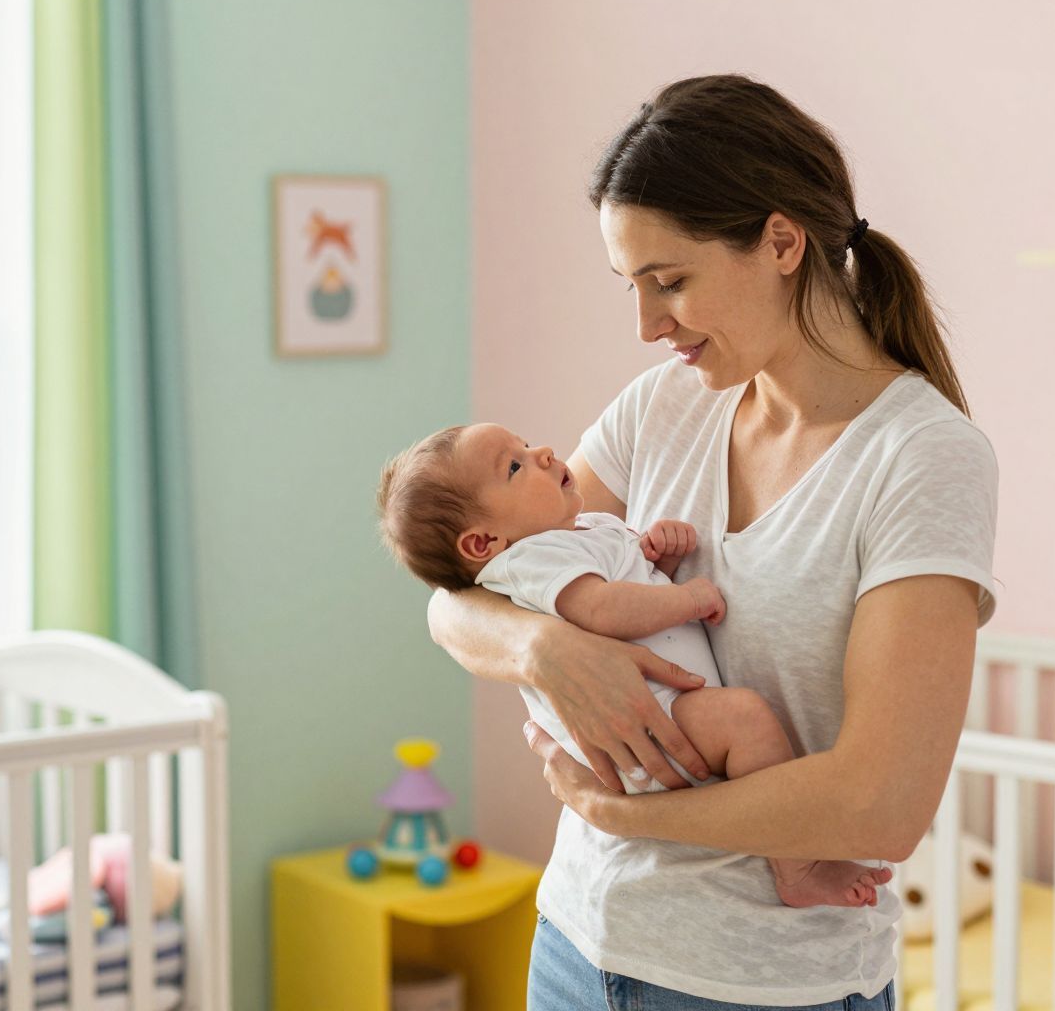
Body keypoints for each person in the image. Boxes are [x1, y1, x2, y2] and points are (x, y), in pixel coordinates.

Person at [426, 73, 999, 1010]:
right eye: (632, 288)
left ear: (781, 241)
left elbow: (884, 808)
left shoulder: (923, 458)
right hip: (576, 940)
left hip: (758, 985)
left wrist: (618, 812)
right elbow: (464, 594)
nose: (649, 326)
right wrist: (551, 647)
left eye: (671, 282)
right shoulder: (662, 409)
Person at [376, 420, 893, 909]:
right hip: (648, 731)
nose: (544, 454)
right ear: (483, 543)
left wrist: (658, 557)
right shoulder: (530, 561)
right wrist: (688, 598)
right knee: (746, 720)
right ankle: (797, 869)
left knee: (741, 721)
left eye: (527, 444)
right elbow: (604, 610)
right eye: (514, 467)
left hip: (661, 717)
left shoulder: (584, 529)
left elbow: (631, 584)